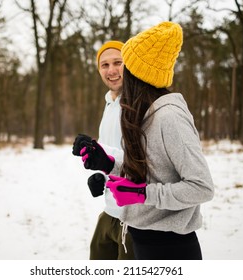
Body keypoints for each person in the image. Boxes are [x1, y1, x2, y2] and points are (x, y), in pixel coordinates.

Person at [73, 22, 214, 260]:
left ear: (139, 74)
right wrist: (110, 165)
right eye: (107, 65)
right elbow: (153, 171)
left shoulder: (169, 116)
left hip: (170, 246)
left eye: (123, 65)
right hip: (142, 236)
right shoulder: (143, 114)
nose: (116, 73)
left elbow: (202, 187)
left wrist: (143, 194)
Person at [72, 41, 134, 260]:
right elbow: (113, 152)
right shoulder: (109, 104)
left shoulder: (136, 104)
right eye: (104, 65)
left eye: (118, 62)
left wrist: (109, 165)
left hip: (134, 215)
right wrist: (101, 175)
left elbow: (146, 161)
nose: (111, 70)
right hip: (110, 210)